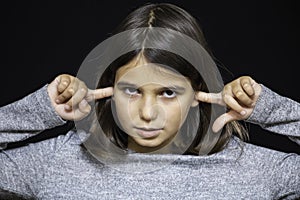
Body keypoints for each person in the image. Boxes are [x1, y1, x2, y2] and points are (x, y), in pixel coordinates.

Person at [0, 2, 299, 199]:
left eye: (168, 93)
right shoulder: (58, 161)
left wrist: (270, 111)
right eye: (131, 91)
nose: (146, 113)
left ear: (197, 92)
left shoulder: (253, 169)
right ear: (111, 87)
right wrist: (39, 111)